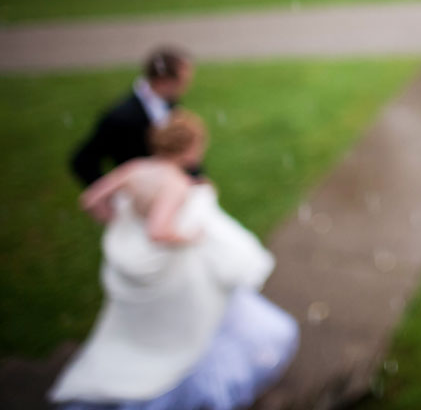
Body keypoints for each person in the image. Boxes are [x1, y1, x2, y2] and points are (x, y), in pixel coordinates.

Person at [49, 110, 298, 409]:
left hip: (141, 260)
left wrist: (116, 221)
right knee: (186, 327)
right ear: (191, 148)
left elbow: (90, 199)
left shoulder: (135, 167)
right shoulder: (176, 183)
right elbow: (159, 231)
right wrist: (191, 236)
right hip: (166, 262)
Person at [70, 46, 196, 187]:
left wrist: (195, 176)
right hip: (141, 195)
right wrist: (114, 197)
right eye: (183, 82)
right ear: (163, 81)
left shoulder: (170, 102)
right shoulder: (121, 117)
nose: (186, 87)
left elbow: (179, 148)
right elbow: (83, 161)